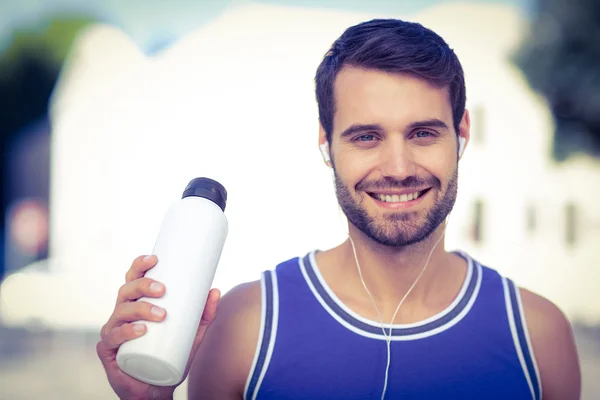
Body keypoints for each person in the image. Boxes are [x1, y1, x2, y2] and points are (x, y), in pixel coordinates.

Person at [97, 18, 581, 400]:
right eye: (366, 136)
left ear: (462, 134)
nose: (397, 167)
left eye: (423, 133)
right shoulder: (243, 326)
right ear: (327, 144)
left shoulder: (538, 337)